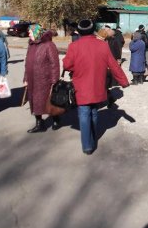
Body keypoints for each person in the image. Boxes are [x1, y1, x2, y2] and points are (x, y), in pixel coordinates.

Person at [63, 19, 129, 155]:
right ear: (93, 30)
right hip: (98, 84)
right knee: (93, 111)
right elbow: (113, 65)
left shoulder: (74, 46)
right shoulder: (102, 45)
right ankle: (93, 136)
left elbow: (67, 65)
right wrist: (123, 81)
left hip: (81, 85)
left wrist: (76, 64)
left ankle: (87, 145)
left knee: (84, 112)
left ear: (79, 31)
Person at [23, 24, 60, 133]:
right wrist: (25, 78)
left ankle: (56, 119)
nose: (28, 34)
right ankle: (39, 124)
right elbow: (27, 63)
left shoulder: (49, 45)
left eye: (30, 32)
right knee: (34, 102)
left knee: (49, 101)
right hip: (32, 79)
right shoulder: (31, 45)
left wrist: (55, 80)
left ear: (37, 32)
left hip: (45, 80)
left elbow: (54, 64)